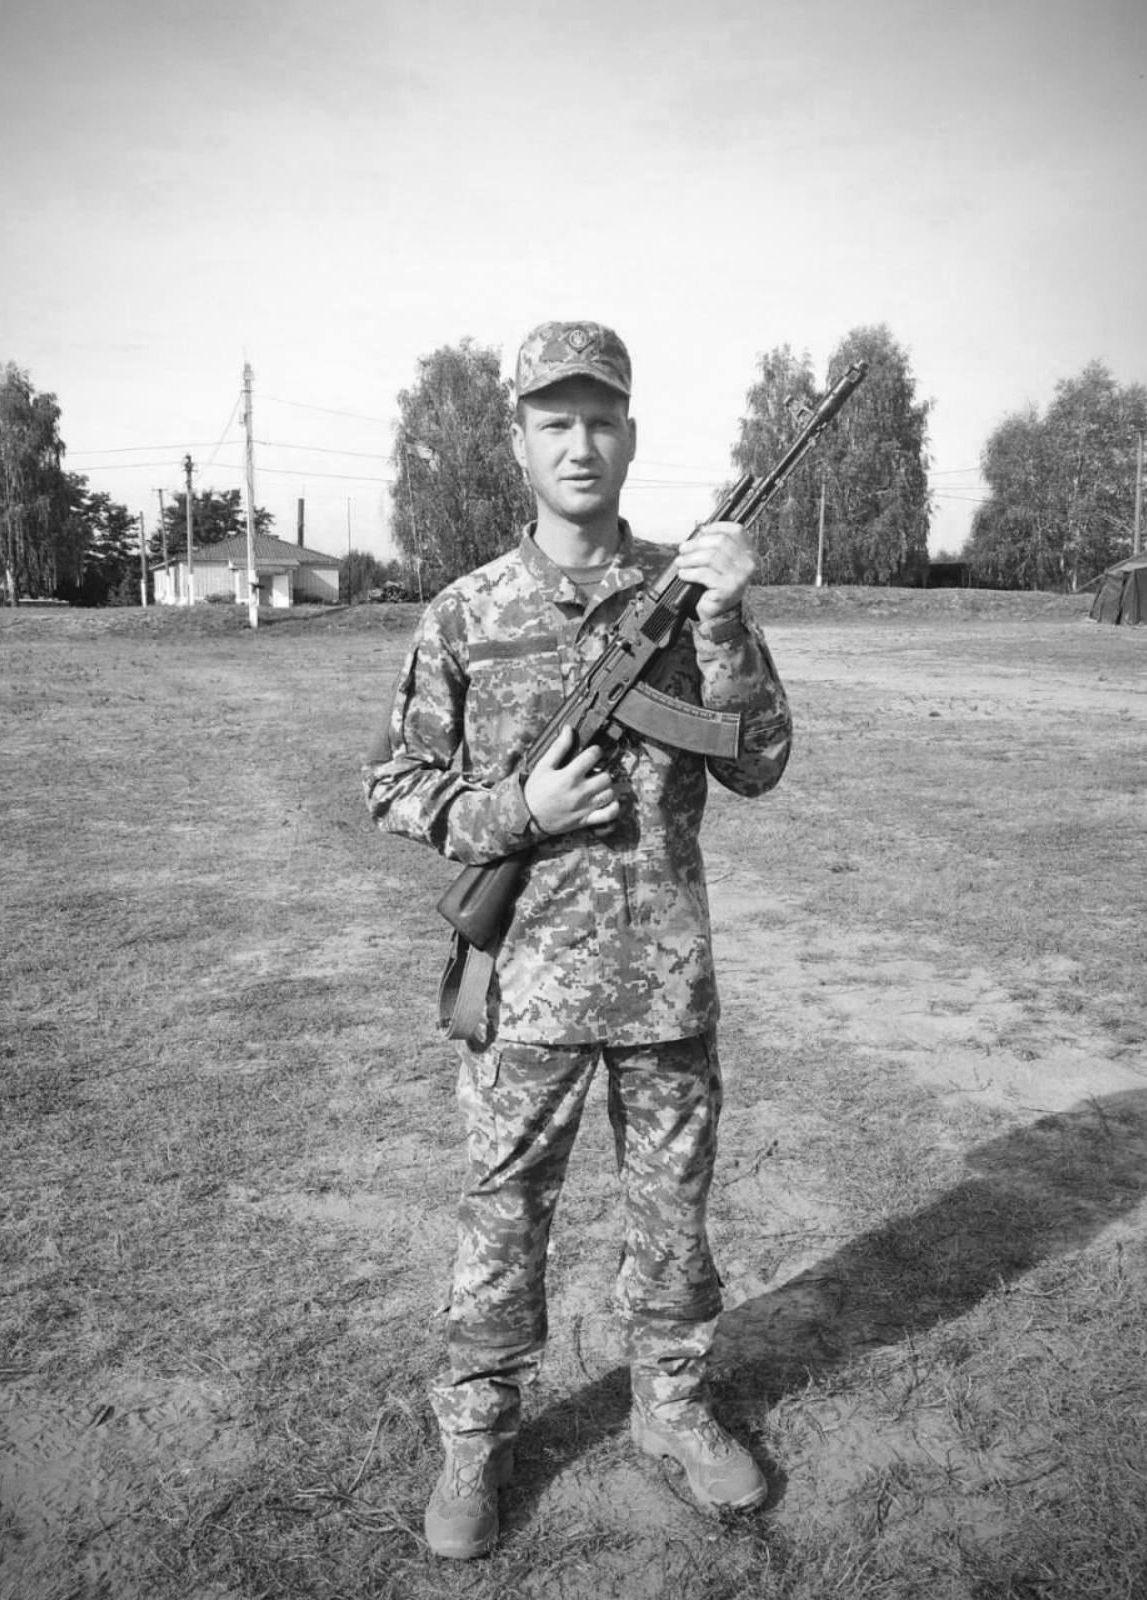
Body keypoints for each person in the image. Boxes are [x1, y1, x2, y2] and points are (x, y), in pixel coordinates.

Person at [363, 320, 792, 1560]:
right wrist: (520, 811)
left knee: (675, 1216)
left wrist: (724, 619)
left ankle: (673, 1407)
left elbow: (759, 760)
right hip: (527, 986)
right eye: (555, 421)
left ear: (631, 436)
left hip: (665, 980)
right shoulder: (465, 611)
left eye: (601, 419)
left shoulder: (693, 593)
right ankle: (476, 1436)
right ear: (520, 442)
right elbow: (394, 785)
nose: (580, 443)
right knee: (502, 1219)